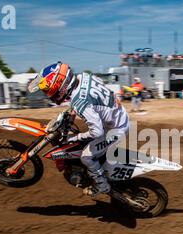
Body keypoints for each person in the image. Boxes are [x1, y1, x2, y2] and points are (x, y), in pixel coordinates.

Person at [28, 62, 129, 197]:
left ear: (60, 85)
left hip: (116, 129)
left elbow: (97, 132)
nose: (48, 94)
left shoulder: (79, 102)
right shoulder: (83, 77)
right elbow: (85, 101)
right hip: (117, 115)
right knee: (85, 144)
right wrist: (70, 117)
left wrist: (73, 138)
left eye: (48, 90)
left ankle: (102, 185)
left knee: (86, 156)